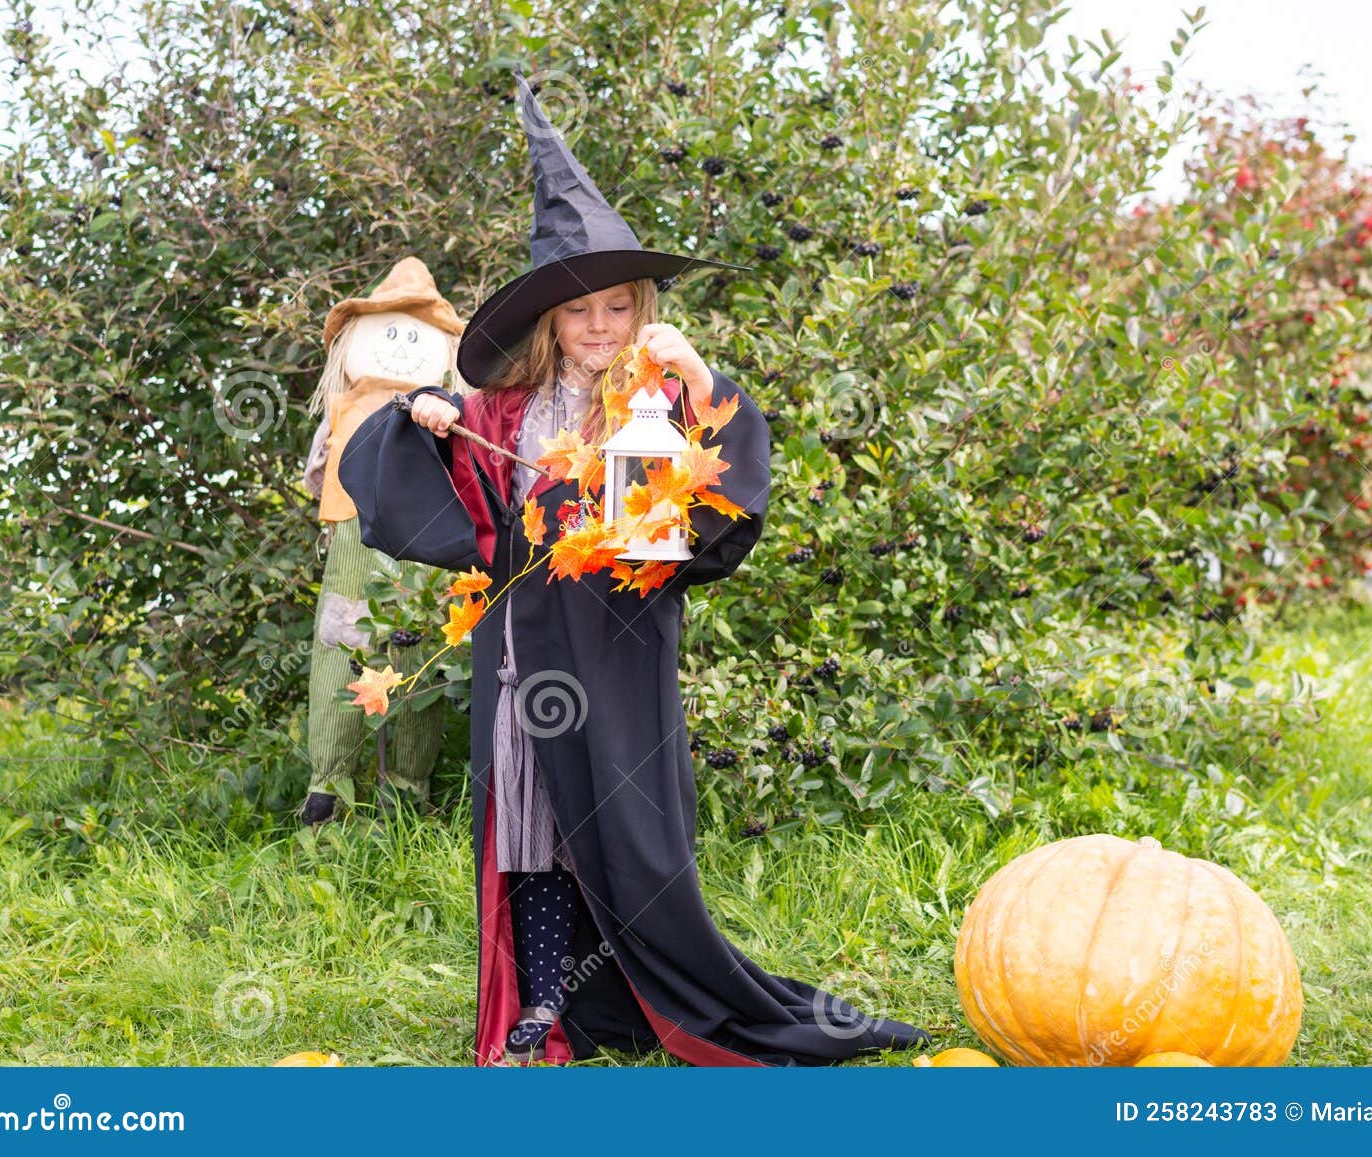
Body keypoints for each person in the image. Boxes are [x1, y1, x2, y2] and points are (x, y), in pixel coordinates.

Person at [337, 66, 931, 1067]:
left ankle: (667, 1000)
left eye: (617, 306)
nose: (599, 327)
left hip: (616, 652)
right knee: (527, 827)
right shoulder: (506, 415)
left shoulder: (657, 403)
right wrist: (423, 415)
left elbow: (723, 497)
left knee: (625, 835)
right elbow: (413, 476)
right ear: (549, 323)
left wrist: (699, 376)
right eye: (579, 312)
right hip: (521, 655)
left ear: (642, 310)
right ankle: (540, 1010)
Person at [297, 257, 463, 825]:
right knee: (340, 649)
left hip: (425, 552)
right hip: (350, 541)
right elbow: (322, 471)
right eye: (385, 332)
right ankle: (328, 787)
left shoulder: (445, 411)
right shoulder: (344, 406)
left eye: (410, 334)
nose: (396, 346)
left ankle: (407, 793)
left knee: (417, 651)